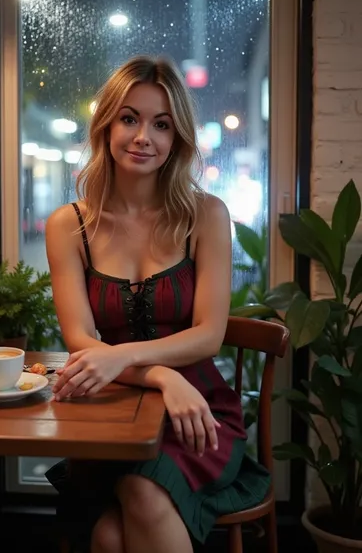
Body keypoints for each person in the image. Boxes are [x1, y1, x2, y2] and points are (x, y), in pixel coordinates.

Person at [45, 55, 270, 553]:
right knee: (109, 534)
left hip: (200, 409)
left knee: (125, 516)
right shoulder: (70, 225)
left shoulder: (206, 215)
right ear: (106, 126)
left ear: (177, 140)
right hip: (115, 408)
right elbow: (81, 340)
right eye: (130, 118)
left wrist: (121, 353)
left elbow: (209, 335)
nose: (143, 136)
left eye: (161, 124)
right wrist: (163, 375)